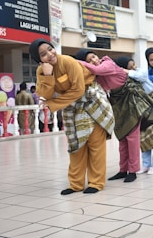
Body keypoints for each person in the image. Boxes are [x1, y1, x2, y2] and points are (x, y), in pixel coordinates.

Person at [29, 39, 114, 195]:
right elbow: (45, 94)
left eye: (50, 49)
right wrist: (48, 75)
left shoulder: (68, 61)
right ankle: (76, 184)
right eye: (43, 54)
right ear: (38, 59)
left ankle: (96, 182)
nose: (50, 54)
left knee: (95, 144)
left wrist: (53, 104)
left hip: (91, 102)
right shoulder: (41, 71)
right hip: (72, 108)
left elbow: (78, 90)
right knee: (76, 146)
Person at [76, 49, 151, 183]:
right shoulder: (97, 76)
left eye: (93, 56)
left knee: (132, 138)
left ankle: (133, 170)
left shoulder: (107, 63)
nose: (94, 60)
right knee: (122, 138)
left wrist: (75, 62)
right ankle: (123, 170)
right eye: (89, 60)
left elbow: (97, 70)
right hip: (117, 105)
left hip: (131, 102)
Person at [115, 56, 153, 175]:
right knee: (143, 138)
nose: (134, 67)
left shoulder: (141, 71)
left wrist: (127, 71)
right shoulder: (125, 79)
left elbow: (141, 76)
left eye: (134, 65)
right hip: (141, 110)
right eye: (130, 66)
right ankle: (146, 164)